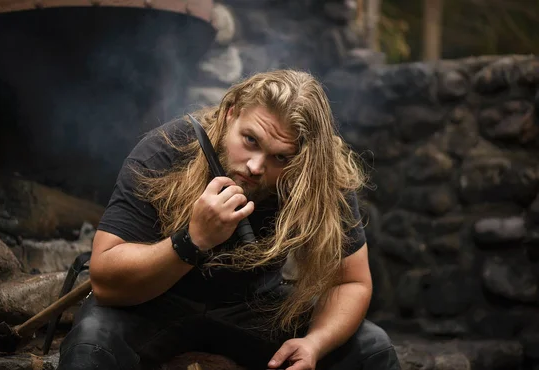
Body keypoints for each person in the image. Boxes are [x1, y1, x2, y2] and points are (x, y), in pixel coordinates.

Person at [57, 70, 401, 370]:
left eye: (280, 157)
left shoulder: (317, 175)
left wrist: (315, 343)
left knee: (372, 348)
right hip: (154, 303)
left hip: (255, 309)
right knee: (92, 343)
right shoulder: (167, 149)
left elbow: (351, 283)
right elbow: (104, 279)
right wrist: (191, 240)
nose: (255, 166)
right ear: (230, 115)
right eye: (250, 140)